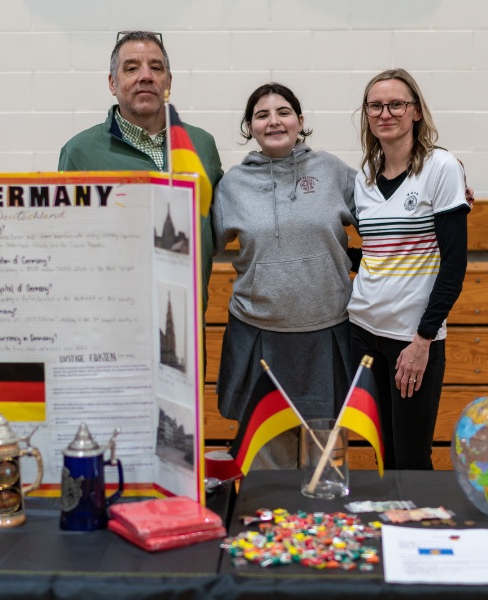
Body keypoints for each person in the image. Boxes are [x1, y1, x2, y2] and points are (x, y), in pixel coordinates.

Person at [212, 83, 357, 468]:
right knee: (264, 466)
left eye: (283, 112)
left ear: (300, 121)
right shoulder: (231, 186)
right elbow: (202, 244)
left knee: (323, 466)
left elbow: (386, 214)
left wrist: (447, 182)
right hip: (258, 332)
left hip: (326, 331)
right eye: (262, 115)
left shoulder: (333, 172)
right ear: (250, 126)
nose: (274, 121)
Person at [347, 68, 470, 470]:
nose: (386, 113)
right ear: (366, 114)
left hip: (412, 339)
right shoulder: (363, 179)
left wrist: (422, 341)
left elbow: (454, 264)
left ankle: (419, 532)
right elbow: (376, 255)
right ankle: (389, 531)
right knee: (385, 454)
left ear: (415, 111)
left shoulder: (442, 167)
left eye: (396, 104)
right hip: (362, 333)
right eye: (376, 105)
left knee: (413, 457)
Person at [58, 31, 223, 310]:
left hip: (187, 320)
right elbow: (66, 248)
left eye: (156, 68)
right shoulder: (80, 152)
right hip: (111, 323)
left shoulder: (201, 145)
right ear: (113, 83)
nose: (145, 76)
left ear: (168, 82)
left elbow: (217, 226)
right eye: (131, 68)